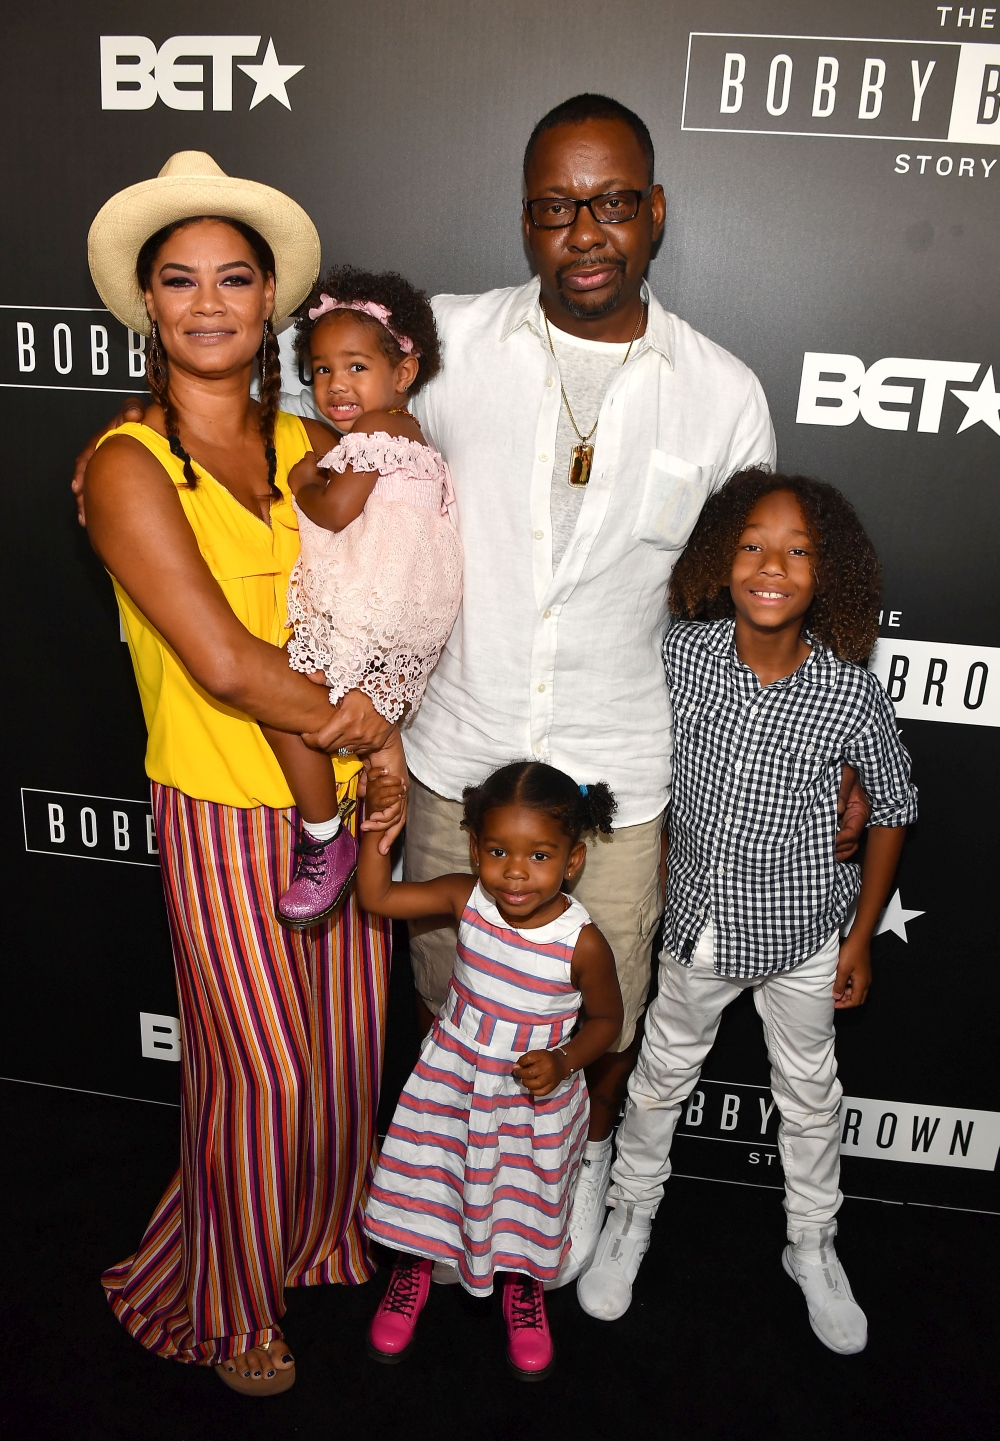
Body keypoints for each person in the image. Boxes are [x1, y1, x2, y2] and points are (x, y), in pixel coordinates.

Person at [71, 95, 869, 1289]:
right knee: (453, 1015)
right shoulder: (436, 345)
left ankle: (576, 1168)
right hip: (447, 760)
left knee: (602, 1006)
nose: (584, 232)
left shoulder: (721, 392)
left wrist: (822, 741)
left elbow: (750, 592)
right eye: (555, 208)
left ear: (654, 212)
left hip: (617, 775)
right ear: (524, 220)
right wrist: (133, 446)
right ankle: (454, 1186)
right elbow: (285, 406)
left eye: (611, 204)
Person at [82, 151, 404, 1395]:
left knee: (340, 1056)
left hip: (343, 801)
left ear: (272, 301)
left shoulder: (316, 440)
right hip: (220, 810)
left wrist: (388, 746)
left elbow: (382, 608)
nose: (207, 302)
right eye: (180, 280)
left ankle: (310, 1239)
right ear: (147, 304)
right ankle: (221, 1303)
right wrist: (366, 733)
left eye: (233, 278)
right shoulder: (125, 463)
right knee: (258, 1072)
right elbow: (220, 660)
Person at [578, 471, 918, 1356]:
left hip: (803, 934)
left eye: (799, 550)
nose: (773, 565)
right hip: (698, 928)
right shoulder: (679, 653)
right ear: (718, 559)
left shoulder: (848, 691)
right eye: (753, 545)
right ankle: (629, 1216)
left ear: (828, 572)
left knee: (808, 1097)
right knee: (659, 1080)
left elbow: (892, 804)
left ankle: (812, 1244)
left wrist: (861, 936)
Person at [354, 761, 624, 1380]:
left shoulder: (582, 942)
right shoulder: (464, 897)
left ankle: (523, 1284)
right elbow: (377, 897)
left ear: (573, 861)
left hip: (533, 1098)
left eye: (539, 855)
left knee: (525, 1194)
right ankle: (414, 1265)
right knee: (432, 1174)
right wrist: (375, 828)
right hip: (453, 1081)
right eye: (499, 851)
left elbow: (608, 1019)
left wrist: (563, 1060)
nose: (516, 872)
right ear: (475, 849)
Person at [262, 266, 462, 929]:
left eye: (356, 366)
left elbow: (339, 510)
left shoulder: (378, 431)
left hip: (373, 610)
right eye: (321, 370)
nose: (336, 385)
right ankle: (375, 792)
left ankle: (324, 835)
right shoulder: (407, 433)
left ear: (404, 371)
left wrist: (303, 481)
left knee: (282, 699)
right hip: (399, 616)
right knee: (348, 722)